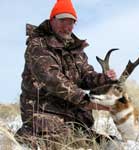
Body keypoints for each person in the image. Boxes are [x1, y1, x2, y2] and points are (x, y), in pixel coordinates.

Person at [15, 0, 117, 148]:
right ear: (52, 20)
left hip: (73, 116)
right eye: (62, 21)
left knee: (104, 143)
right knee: (67, 144)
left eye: (71, 22)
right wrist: (87, 101)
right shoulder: (38, 45)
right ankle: (27, 138)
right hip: (45, 113)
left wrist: (104, 78)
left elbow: (86, 76)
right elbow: (52, 79)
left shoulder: (76, 51)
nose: (67, 27)